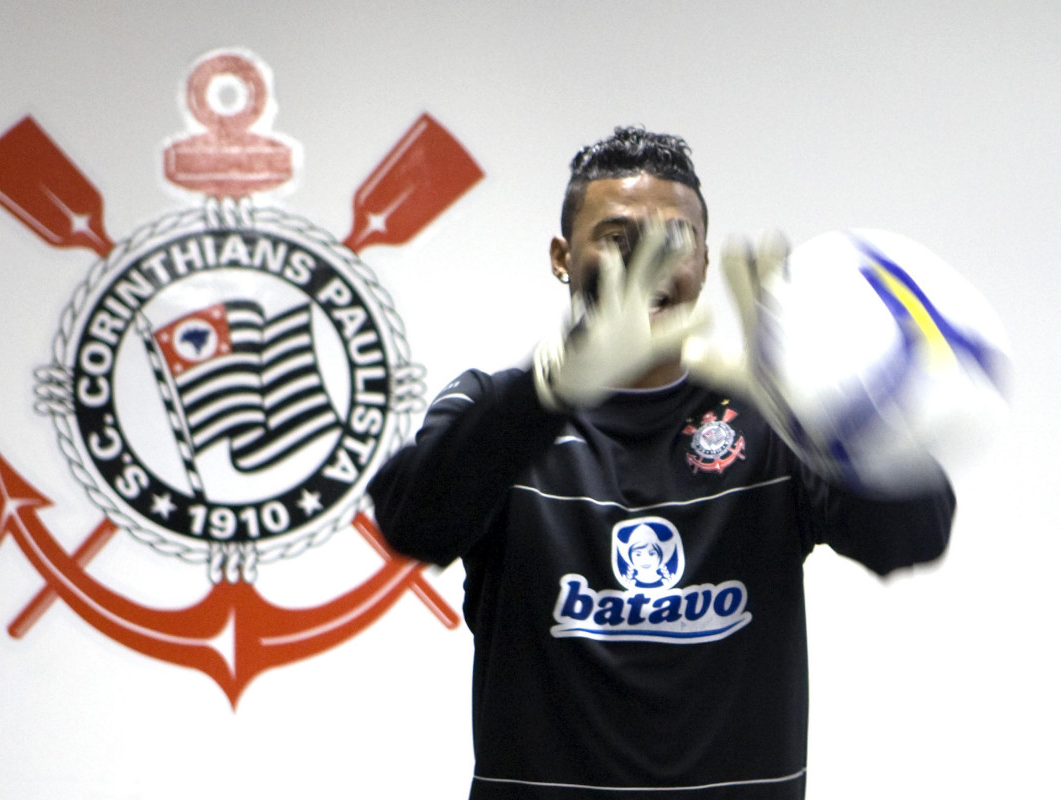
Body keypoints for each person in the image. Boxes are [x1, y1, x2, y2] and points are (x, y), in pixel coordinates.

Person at [367, 127, 953, 799]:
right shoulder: (496, 411)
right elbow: (415, 521)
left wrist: (823, 408)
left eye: (673, 242)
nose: (645, 263)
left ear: (703, 263)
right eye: (617, 237)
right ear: (562, 257)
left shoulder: (766, 422)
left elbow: (914, 534)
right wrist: (550, 388)